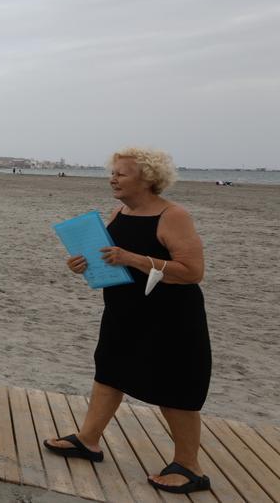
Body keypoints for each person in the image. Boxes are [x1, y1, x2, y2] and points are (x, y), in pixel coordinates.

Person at [44, 147, 212, 494]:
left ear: (148, 179)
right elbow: (112, 259)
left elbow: (193, 271)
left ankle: (189, 466)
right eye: (113, 172)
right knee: (109, 371)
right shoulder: (119, 211)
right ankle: (87, 440)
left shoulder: (173, 216)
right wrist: (84, 265)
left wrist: (133, 258)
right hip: (124, 309)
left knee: (175, 385)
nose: (113, 178)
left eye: (122, 173)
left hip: (171, 316)